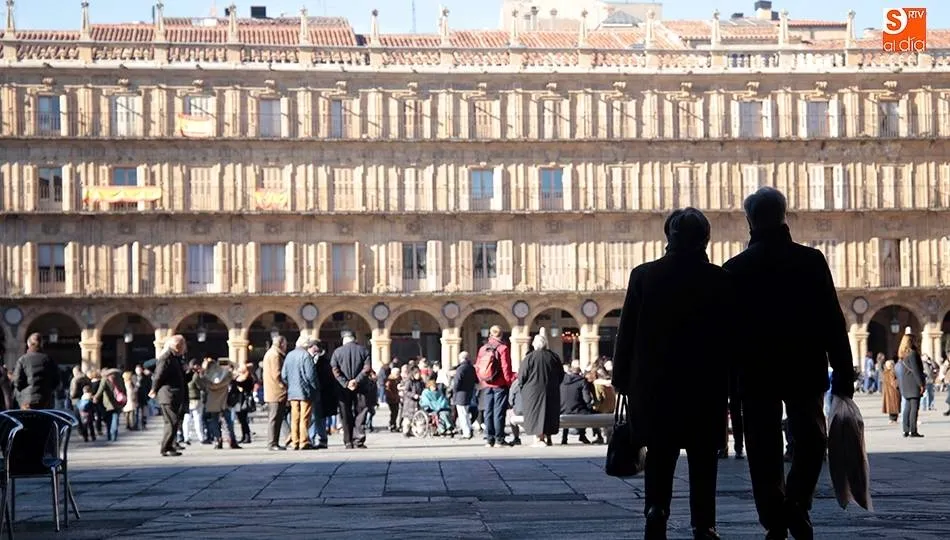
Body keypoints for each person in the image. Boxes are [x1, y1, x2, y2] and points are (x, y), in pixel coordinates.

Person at [723, 188, 854, 540]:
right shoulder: (810, 261)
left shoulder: (734, 269)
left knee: (762, 449)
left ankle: (775, 517)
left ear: (750, 221)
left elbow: (727, 332)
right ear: (784, 216)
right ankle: (796, 504)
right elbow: (832, 319)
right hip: (803, 367)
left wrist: (727, 378)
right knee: (811, 441)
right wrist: (844, 367)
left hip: (755, 373)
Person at [613, 207, 733, 540]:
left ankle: (656, 511)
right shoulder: (720, 280)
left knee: (660, 455)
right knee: (703, 458)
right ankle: (704, 524)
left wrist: (622, 379)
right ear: (705, 239)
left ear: (669, 237)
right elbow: (730, 337)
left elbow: (627, 335)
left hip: (656, 388)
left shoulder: (644, 276)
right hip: (703, 387)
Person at [518, 333, 563, 448]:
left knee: (535, 414)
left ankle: (538, 438)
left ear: (534, 345)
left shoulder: (529, 358)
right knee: (549, 413)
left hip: (532, 392)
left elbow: (522, 375)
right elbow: (561, 375)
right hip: (551, 390)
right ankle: (548, 437)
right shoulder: (553, 357)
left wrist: (522, 387)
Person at [330, 330, 373, 449]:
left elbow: (335, 370)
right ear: (354, 339)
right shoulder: (363, 350)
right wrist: (356, 381)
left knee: (345, 413)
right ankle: (358, 439)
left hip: (343, 388)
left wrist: (345, 383)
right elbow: (367, 368)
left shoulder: (337, 352)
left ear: (344, 340)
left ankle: (348, 441)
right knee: (361, 412)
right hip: (361, 387)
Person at [476, 325, 515, 448]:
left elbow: (477, 367)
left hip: (486, 384)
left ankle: (489, 439)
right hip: (500, 384)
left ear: (490, 334)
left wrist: (482, 380)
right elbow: (505, 368)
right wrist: (509, 382)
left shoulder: (483, 349)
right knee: (499, 412)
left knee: (488, 411)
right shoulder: (503, 348)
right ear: (501, 335)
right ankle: (499, 439)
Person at [150, 335, 188, 457]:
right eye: (183, 345)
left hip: (174, 394)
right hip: (168, 394)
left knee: (174, 421)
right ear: (177, 346)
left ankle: (170, 446)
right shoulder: (166, 357)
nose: (185, 348)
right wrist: (154, 389)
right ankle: (165, 447)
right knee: (172, 421)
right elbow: (158, 375)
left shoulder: (175, 358)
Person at [282, 336, 319, 450]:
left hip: (292, 392)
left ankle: (295, 441)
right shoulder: (305, 356)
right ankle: (304, 441)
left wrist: (290, 385)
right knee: (305, 417)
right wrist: (315, 388)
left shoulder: (289, 355)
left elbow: (284, 375)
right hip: (305, 392)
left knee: (294, 417)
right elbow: (310, 375)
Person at [13, 333, 60, 410]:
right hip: (46, 400)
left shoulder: (23, 360)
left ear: (28, 344)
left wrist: (23, 392)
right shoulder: (49, 360)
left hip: (27, 401)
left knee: (27, 421)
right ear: (41, 344)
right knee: (44, 421)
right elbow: (56, 380)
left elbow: (17, 381)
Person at [896, 329, 926, 438]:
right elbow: (916, 370)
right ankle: (913, 430)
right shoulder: (913, 353)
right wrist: (921, 384)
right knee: (914, 407)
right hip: (913, 383)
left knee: (907, 407)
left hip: (906, 383)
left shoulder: (903, 355)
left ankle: (905, 429)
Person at [560, 366, 593, 445]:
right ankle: (582, 435)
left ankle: (564, 438)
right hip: (578, 411)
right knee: (587, 409)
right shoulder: (582, 381)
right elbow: (587, 399)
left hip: (561, 410)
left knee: (567, 408)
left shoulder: (561, 381)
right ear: (580, 373)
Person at [451, 351, 477, 439]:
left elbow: (457, 382)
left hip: (460, 394)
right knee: (466, 413)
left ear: (461, 358)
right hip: (469, 393)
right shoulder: (471, 368)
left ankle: (466, 433)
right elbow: (476, 380)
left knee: (462, 414)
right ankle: (469, 429)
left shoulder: (460, 368)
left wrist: (453, 391)